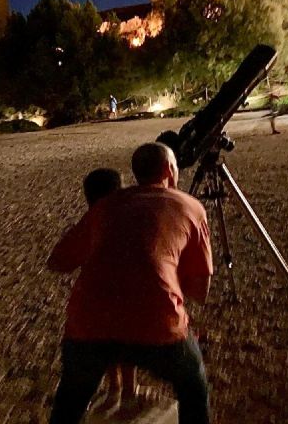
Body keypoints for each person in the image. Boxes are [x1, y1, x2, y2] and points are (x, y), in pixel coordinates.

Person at [47, 142, 213, 424]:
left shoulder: (106, 206)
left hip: (88, 324)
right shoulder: (190, 207)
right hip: (157, 322)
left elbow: (58, 262)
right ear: (169, 169)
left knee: (70, 400)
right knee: (192, 384)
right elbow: (200, 292)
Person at [47, 168, 136, 409]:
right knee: (125, 343)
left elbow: (57, 262)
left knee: (107, 343)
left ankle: (116, 387)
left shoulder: (92, 224)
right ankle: (127, 389)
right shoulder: (130, 219)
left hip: (101, 297)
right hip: (128, 295)